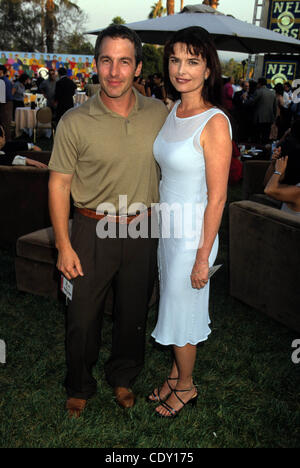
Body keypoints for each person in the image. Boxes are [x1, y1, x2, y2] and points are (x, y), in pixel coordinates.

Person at [48, 24, 168, 418]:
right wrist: (63, 245)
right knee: (81, 315)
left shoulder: (160, 115)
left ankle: (123, 376)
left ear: (137, 68)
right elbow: (59, 183)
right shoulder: (74, 121)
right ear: (96, 64)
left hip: (141, 228)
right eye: (106, 61)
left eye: (124, 62)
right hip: (89, 229)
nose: (114, 72)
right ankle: (79, 384)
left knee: (134, 312)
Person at [148, 26, 232, 417]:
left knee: (183, 308)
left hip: (193, 238)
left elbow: (218, 197)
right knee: (173, 303)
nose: (182, 69)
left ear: (207, 69)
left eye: (192, 61)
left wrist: (202, 257)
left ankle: (186, 386)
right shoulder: (174, 110)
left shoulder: (214, 122)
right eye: (176, 60)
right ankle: (174, 373)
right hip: (169, 230)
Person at [264, 152, 300, 216]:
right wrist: (273, 164)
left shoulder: (297, 192)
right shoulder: (296, 188)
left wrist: (278, 171)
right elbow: (268, 184)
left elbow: (269, 190)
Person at [245, 77, 277, 144]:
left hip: (259, 119)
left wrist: (245, 99)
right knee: (265, 138)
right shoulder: (272, 93)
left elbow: (250, 102)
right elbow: (275, 108)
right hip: (269, 118)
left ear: (259, 84)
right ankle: (264, 151)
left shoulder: (258, 92)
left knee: (256, 137)